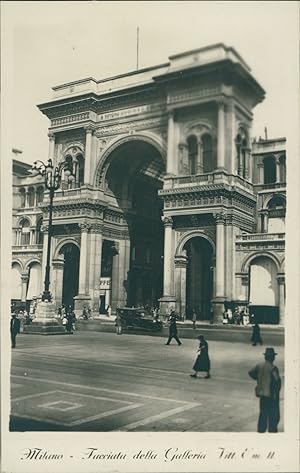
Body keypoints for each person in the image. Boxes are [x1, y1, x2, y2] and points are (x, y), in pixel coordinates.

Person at [248, 347, 281, 433]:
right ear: (272, 357)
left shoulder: (259, 365)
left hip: (262, 394)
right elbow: (277, 382)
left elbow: (250, 372)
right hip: (271, 395)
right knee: (273, 415)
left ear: (265, 357)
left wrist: (258, 379)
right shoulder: (273, 368)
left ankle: (261, 430)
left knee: (263, 413)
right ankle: (272, 431)